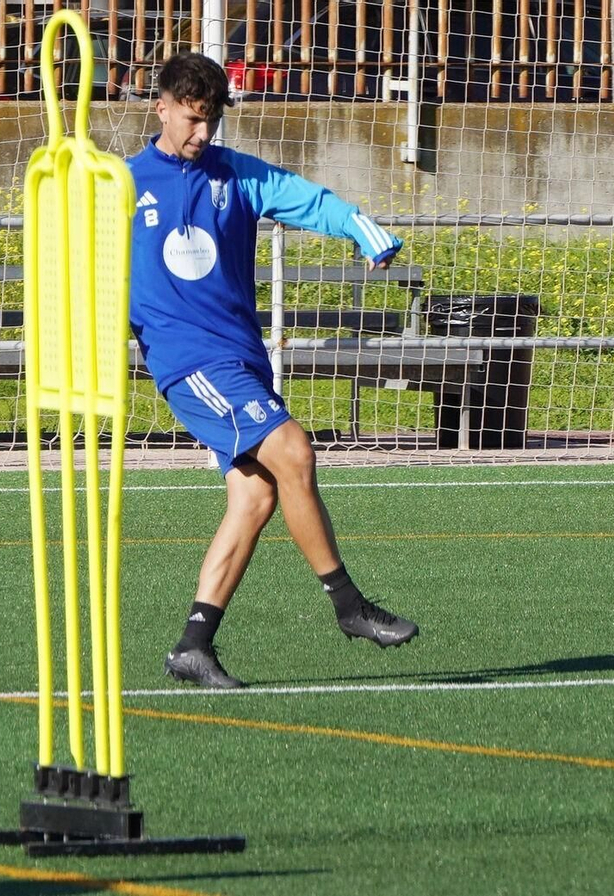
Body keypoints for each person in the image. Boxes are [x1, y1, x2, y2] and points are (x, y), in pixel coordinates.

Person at [127, 52, 418, 689]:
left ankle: (194, 646)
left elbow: (307, 200)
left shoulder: (236, 176)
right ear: (163, 107)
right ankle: (349, 605)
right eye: (192, 119)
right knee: (293, 449)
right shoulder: (123, 186)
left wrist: (365, 231)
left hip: (239, 358)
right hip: (187, 360)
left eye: (211, 122)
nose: (202, 134)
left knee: (256, 494)